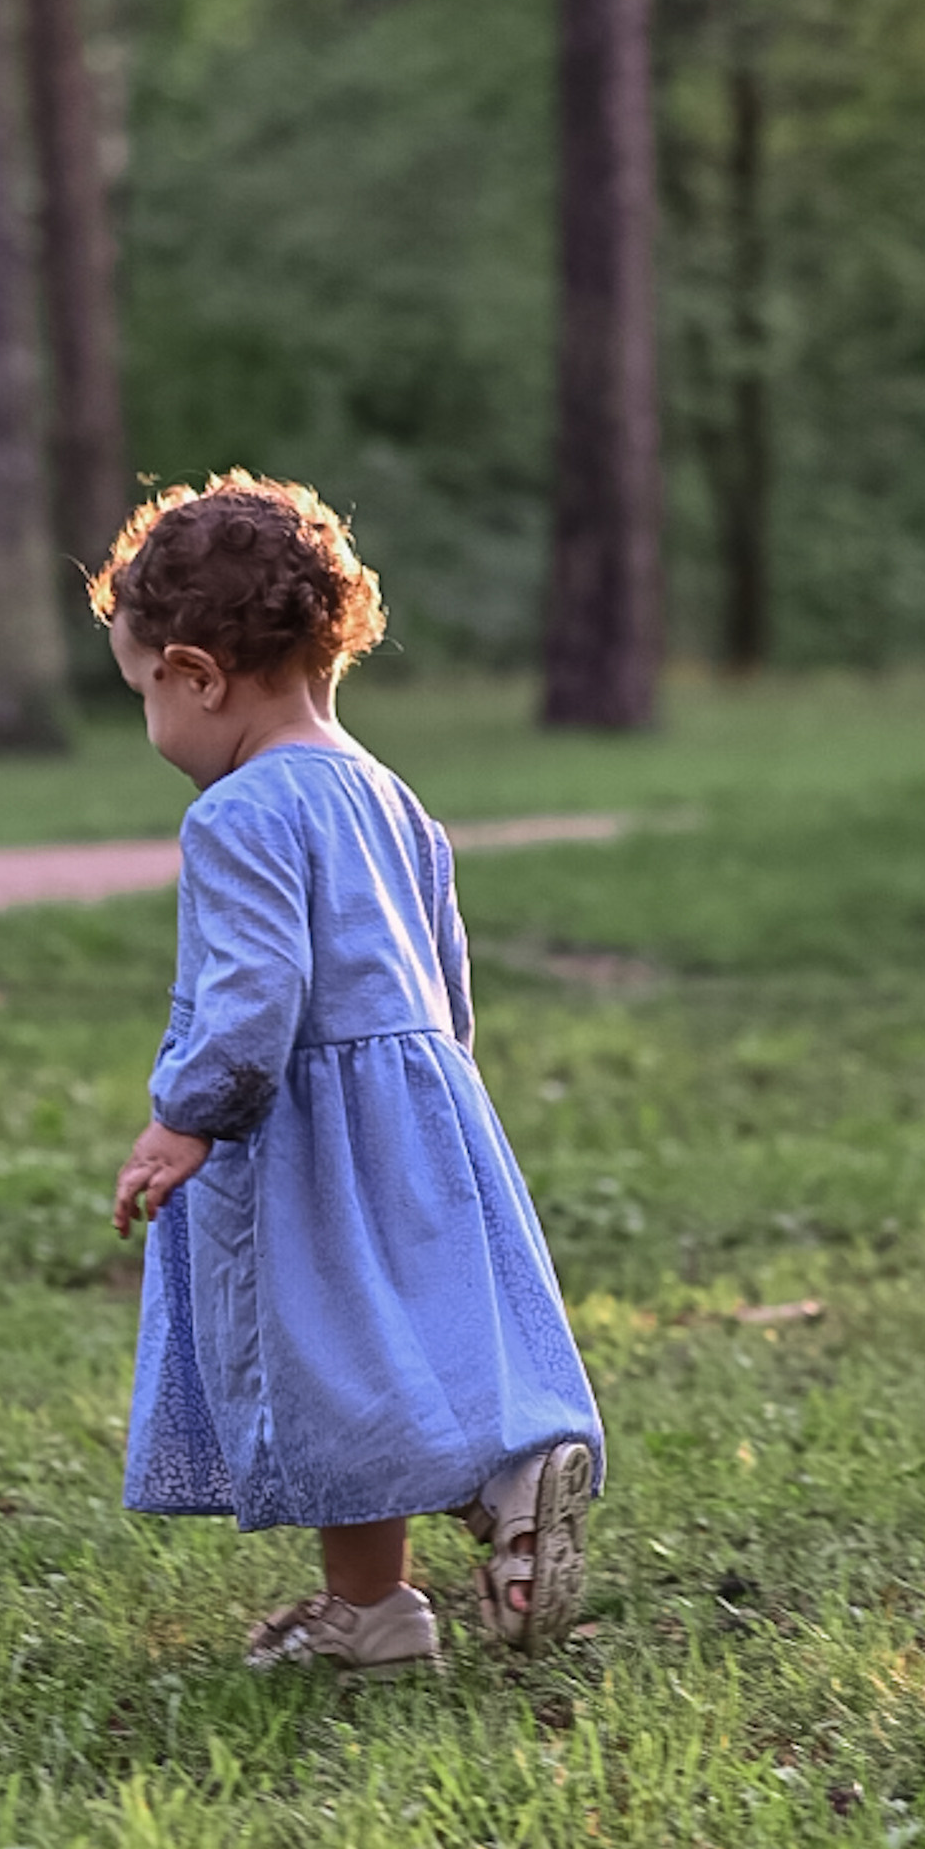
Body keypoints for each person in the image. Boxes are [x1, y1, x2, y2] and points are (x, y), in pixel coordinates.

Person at [97, 473, 603, 1671]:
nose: (151, 725)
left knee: (329, 1368)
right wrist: (439, 1103)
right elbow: (445, 972)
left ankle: (390, 1590)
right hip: (420, 1116)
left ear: (196, 674)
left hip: (299, 1138)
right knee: (400, 1342)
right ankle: (436, 1550)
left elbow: (254, 993)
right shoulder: (390, 795)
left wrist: (186, 1117)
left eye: (144, 693)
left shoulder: (237, 814)